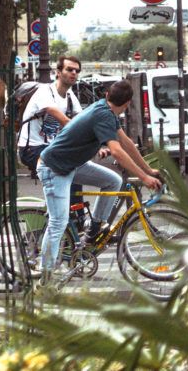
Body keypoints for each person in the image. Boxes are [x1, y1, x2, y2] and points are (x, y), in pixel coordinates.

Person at [37, 80, 161, 276]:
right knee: (58, 222)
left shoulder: (105, 110)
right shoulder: (103, 115)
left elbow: (126, 143)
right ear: (127, 103)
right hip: (54, 168)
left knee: (113, 181)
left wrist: (148, 170)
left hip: (73, 164)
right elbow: (117, 151)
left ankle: (93, 230)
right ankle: (45, 275)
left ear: (107, 95)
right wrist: (144, 178)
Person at [17, 56, 84, 173]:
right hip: (32, 149)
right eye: (69, 69)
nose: (74, 73)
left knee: (79, 163)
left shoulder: (69, 95)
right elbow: (66, 122)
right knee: (68, 166)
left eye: (77, 71)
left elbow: (82, 120)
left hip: (51, 147)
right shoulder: (45, 91)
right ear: (58, 72)